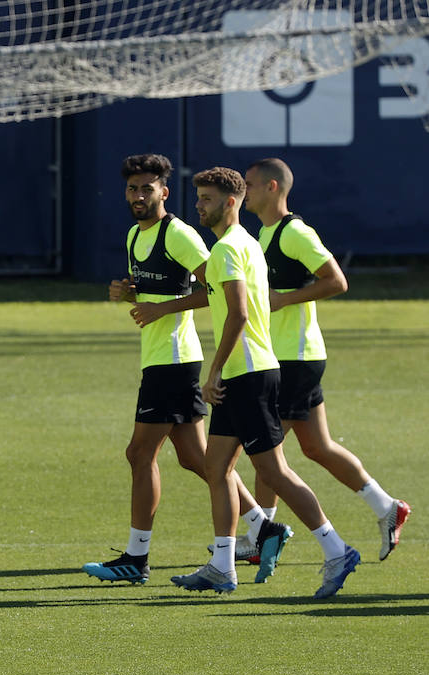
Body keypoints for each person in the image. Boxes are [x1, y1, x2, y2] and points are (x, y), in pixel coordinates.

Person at [84, 154, 284, 586]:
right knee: (198, 459)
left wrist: (164, 308)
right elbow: (163, 287)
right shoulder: (134, 236)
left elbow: (212, 288)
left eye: (147, 188)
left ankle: (136, 559)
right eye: (132, 188)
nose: (139, 196)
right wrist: (129, 292)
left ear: (164, 192)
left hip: (175, 360)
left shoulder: (179, 233)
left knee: (139, 454)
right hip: (159, 357)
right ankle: (262, 528)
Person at [171, 167, 360, 599]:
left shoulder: (226, 251)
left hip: (249, 373)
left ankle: (337, 550)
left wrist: (214, 371)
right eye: (198, 197)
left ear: (230, 202)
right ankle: (222, 566)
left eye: (206, 198)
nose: (199, 205)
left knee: (273, 470)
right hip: (248, 371)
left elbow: (237, 313)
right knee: (216, 467)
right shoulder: (247, 244)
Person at [242, 158, 410, 563]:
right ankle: (388, 508)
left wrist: (284, 300)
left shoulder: (294, 232)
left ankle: (262, 534)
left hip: (294, 359)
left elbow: (337, 280)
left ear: (272, 187)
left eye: (248, 184)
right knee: (317, 446)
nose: (243, 190)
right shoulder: (262, 235)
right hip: (291, 356)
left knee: (267, 454)